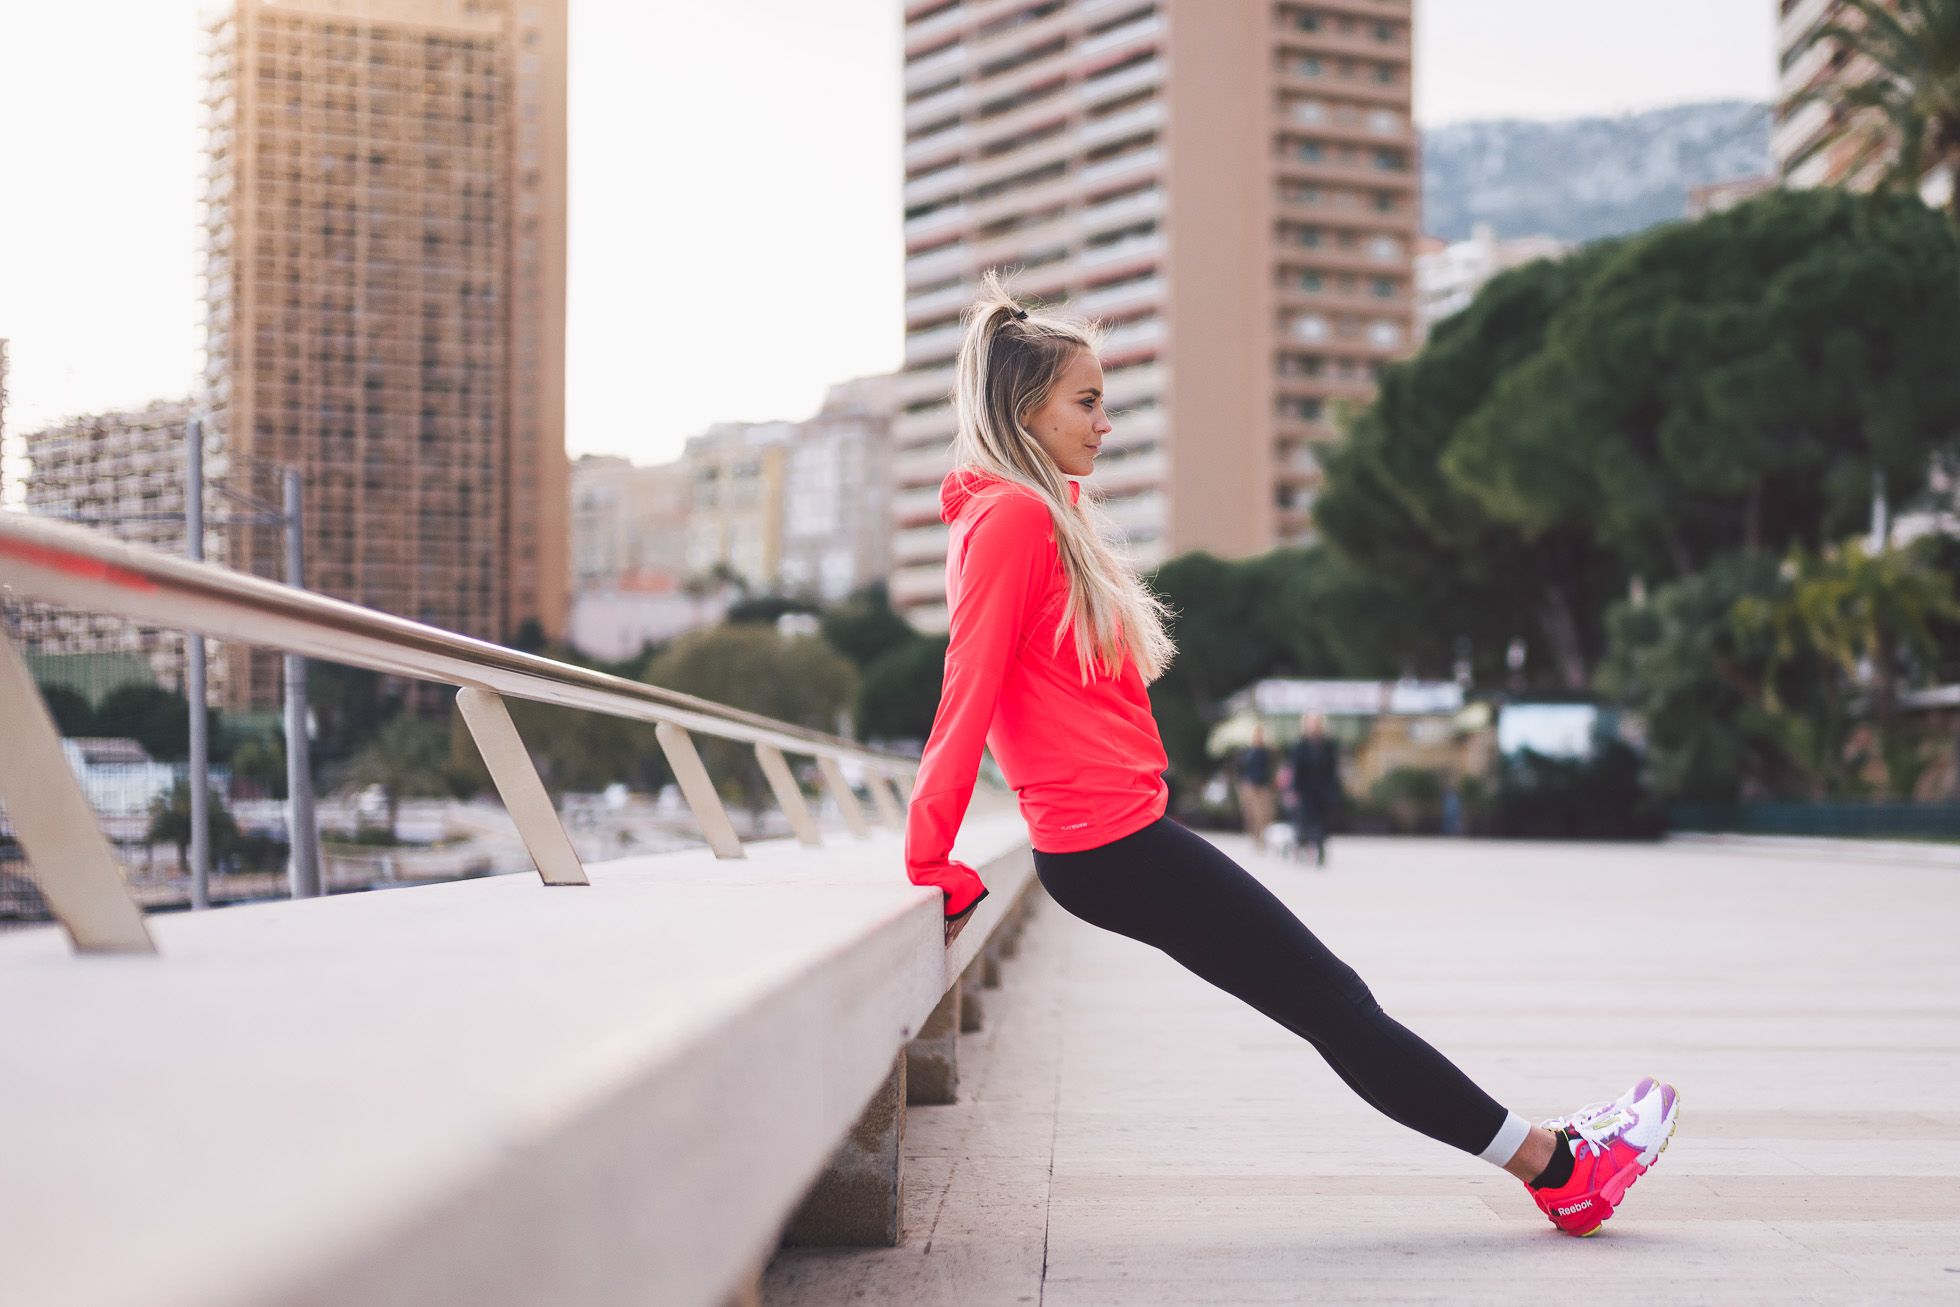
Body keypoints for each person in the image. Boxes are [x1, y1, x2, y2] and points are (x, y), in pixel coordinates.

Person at [900, 272, 1678, 1237]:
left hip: (1109, 837)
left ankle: (1555, 1157)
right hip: (1106, 843)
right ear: (1028, 409)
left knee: (1330, 1003)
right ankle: (1564, 1168)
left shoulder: (1029, 510)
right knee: (1335, 1005)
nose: (1105, 423)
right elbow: (964, 691)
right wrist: (930, 854)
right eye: (1087, 402)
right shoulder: (1013, 519)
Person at [1285, 711, 1340, 868]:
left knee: (1320, 822)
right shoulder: (1299, 745)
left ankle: (1319, 849)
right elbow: (1294, 769)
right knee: (1303, 821)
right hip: (1304, 789)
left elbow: (1332, 770)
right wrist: (1293, 790)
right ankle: (1302, 848)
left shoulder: (1328, 745)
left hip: (1322, 789)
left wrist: (1333, 790)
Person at [1233, 725, 1279, 853]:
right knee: (1251, 814)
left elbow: (1273, 769)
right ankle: (1255, 837)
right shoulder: (1246, 752)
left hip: (1264, 786)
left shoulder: (1268, 752)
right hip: (1250, 786)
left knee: (1264, 814)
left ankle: (1262, 837)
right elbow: (1240, 769)